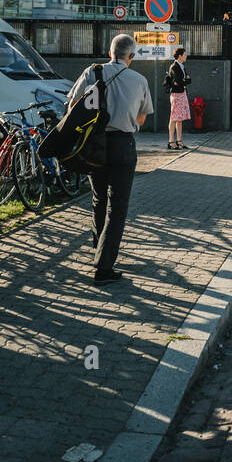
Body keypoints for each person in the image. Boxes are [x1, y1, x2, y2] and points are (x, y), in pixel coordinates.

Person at [66, 34, 153, 285]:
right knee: (118, 206)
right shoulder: (139, 80)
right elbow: (142, 119)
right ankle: (104, 267)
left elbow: (73, 106)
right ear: (131, 57)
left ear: (109, 52)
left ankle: (98, 248)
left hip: (95, 145)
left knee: (98, 199)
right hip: (123, 145)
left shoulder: (92, 72)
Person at [166, 46, 191, 151]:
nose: (186, 56)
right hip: (176, 94)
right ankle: (171, 141)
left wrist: (185, 80)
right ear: (180, 56)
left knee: (179, 118)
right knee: (174, 117)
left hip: (182, 93)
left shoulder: (181, 66)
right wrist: (185, 80)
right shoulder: (174, 66)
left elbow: (189, 79)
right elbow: (177, 82)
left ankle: (179, 140)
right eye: (185, 54)